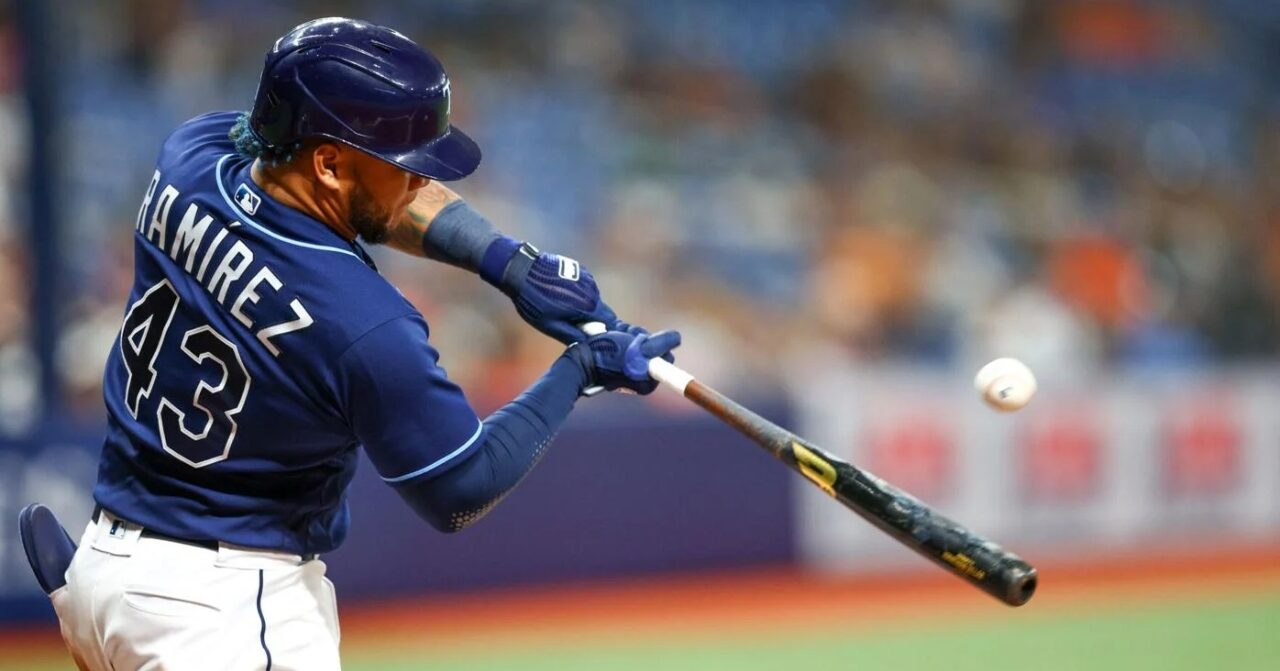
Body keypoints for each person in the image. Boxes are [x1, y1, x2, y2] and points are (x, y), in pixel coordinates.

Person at [47, 17, 679, 670]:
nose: (419, 183)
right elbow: (460, 488)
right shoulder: (363, 322)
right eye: (401, 165)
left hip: (107, 568)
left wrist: (508, 264)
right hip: (223, 610)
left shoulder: (190, 158)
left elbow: (273, 143)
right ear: (327, 162)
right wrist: (578, 370)